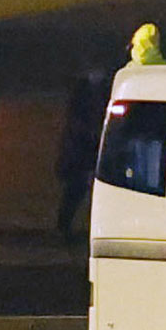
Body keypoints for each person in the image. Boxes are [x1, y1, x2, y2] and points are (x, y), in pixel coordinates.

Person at [51, 67, 109, 239]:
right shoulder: (85, 93)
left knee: (82, 190)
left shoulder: (90, 91)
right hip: (83, 147)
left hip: (88, 145)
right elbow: (77, 122)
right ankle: (64, 226)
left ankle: (67, 226)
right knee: (77, 189)